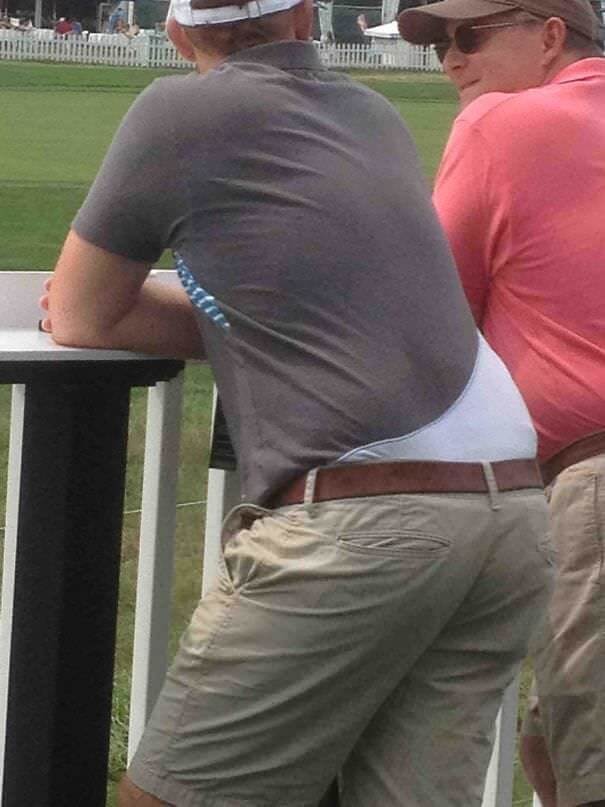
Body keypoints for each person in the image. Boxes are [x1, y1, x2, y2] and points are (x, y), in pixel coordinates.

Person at [43, 0, 553, 802]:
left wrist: (239, 326)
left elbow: (81, 314)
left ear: (175, 33)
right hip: (511, 506)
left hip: (367, 512)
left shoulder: (176, 111)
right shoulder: (372, 113)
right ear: (307, 19)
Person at [398, 1, 605, 805]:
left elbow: (431, 318)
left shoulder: (498, 125)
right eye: (439, 46)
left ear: (549, 34)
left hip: (590, 481)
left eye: (468, 36)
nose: (451, 60)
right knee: (551, 746)